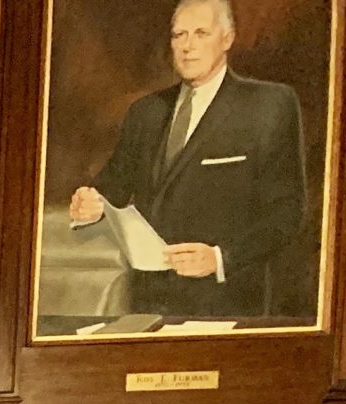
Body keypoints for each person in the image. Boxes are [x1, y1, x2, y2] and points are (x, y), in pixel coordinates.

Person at [67, 0, 308, 320]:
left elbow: (286, 211)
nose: (188, 46)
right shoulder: (146, 112)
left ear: (227, 39)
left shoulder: (268, 106)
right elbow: (113, 187)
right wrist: (90, 202)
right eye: (179, 35)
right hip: (146, 303)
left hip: (226, 303)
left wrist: (221, 259)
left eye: (200, 33)